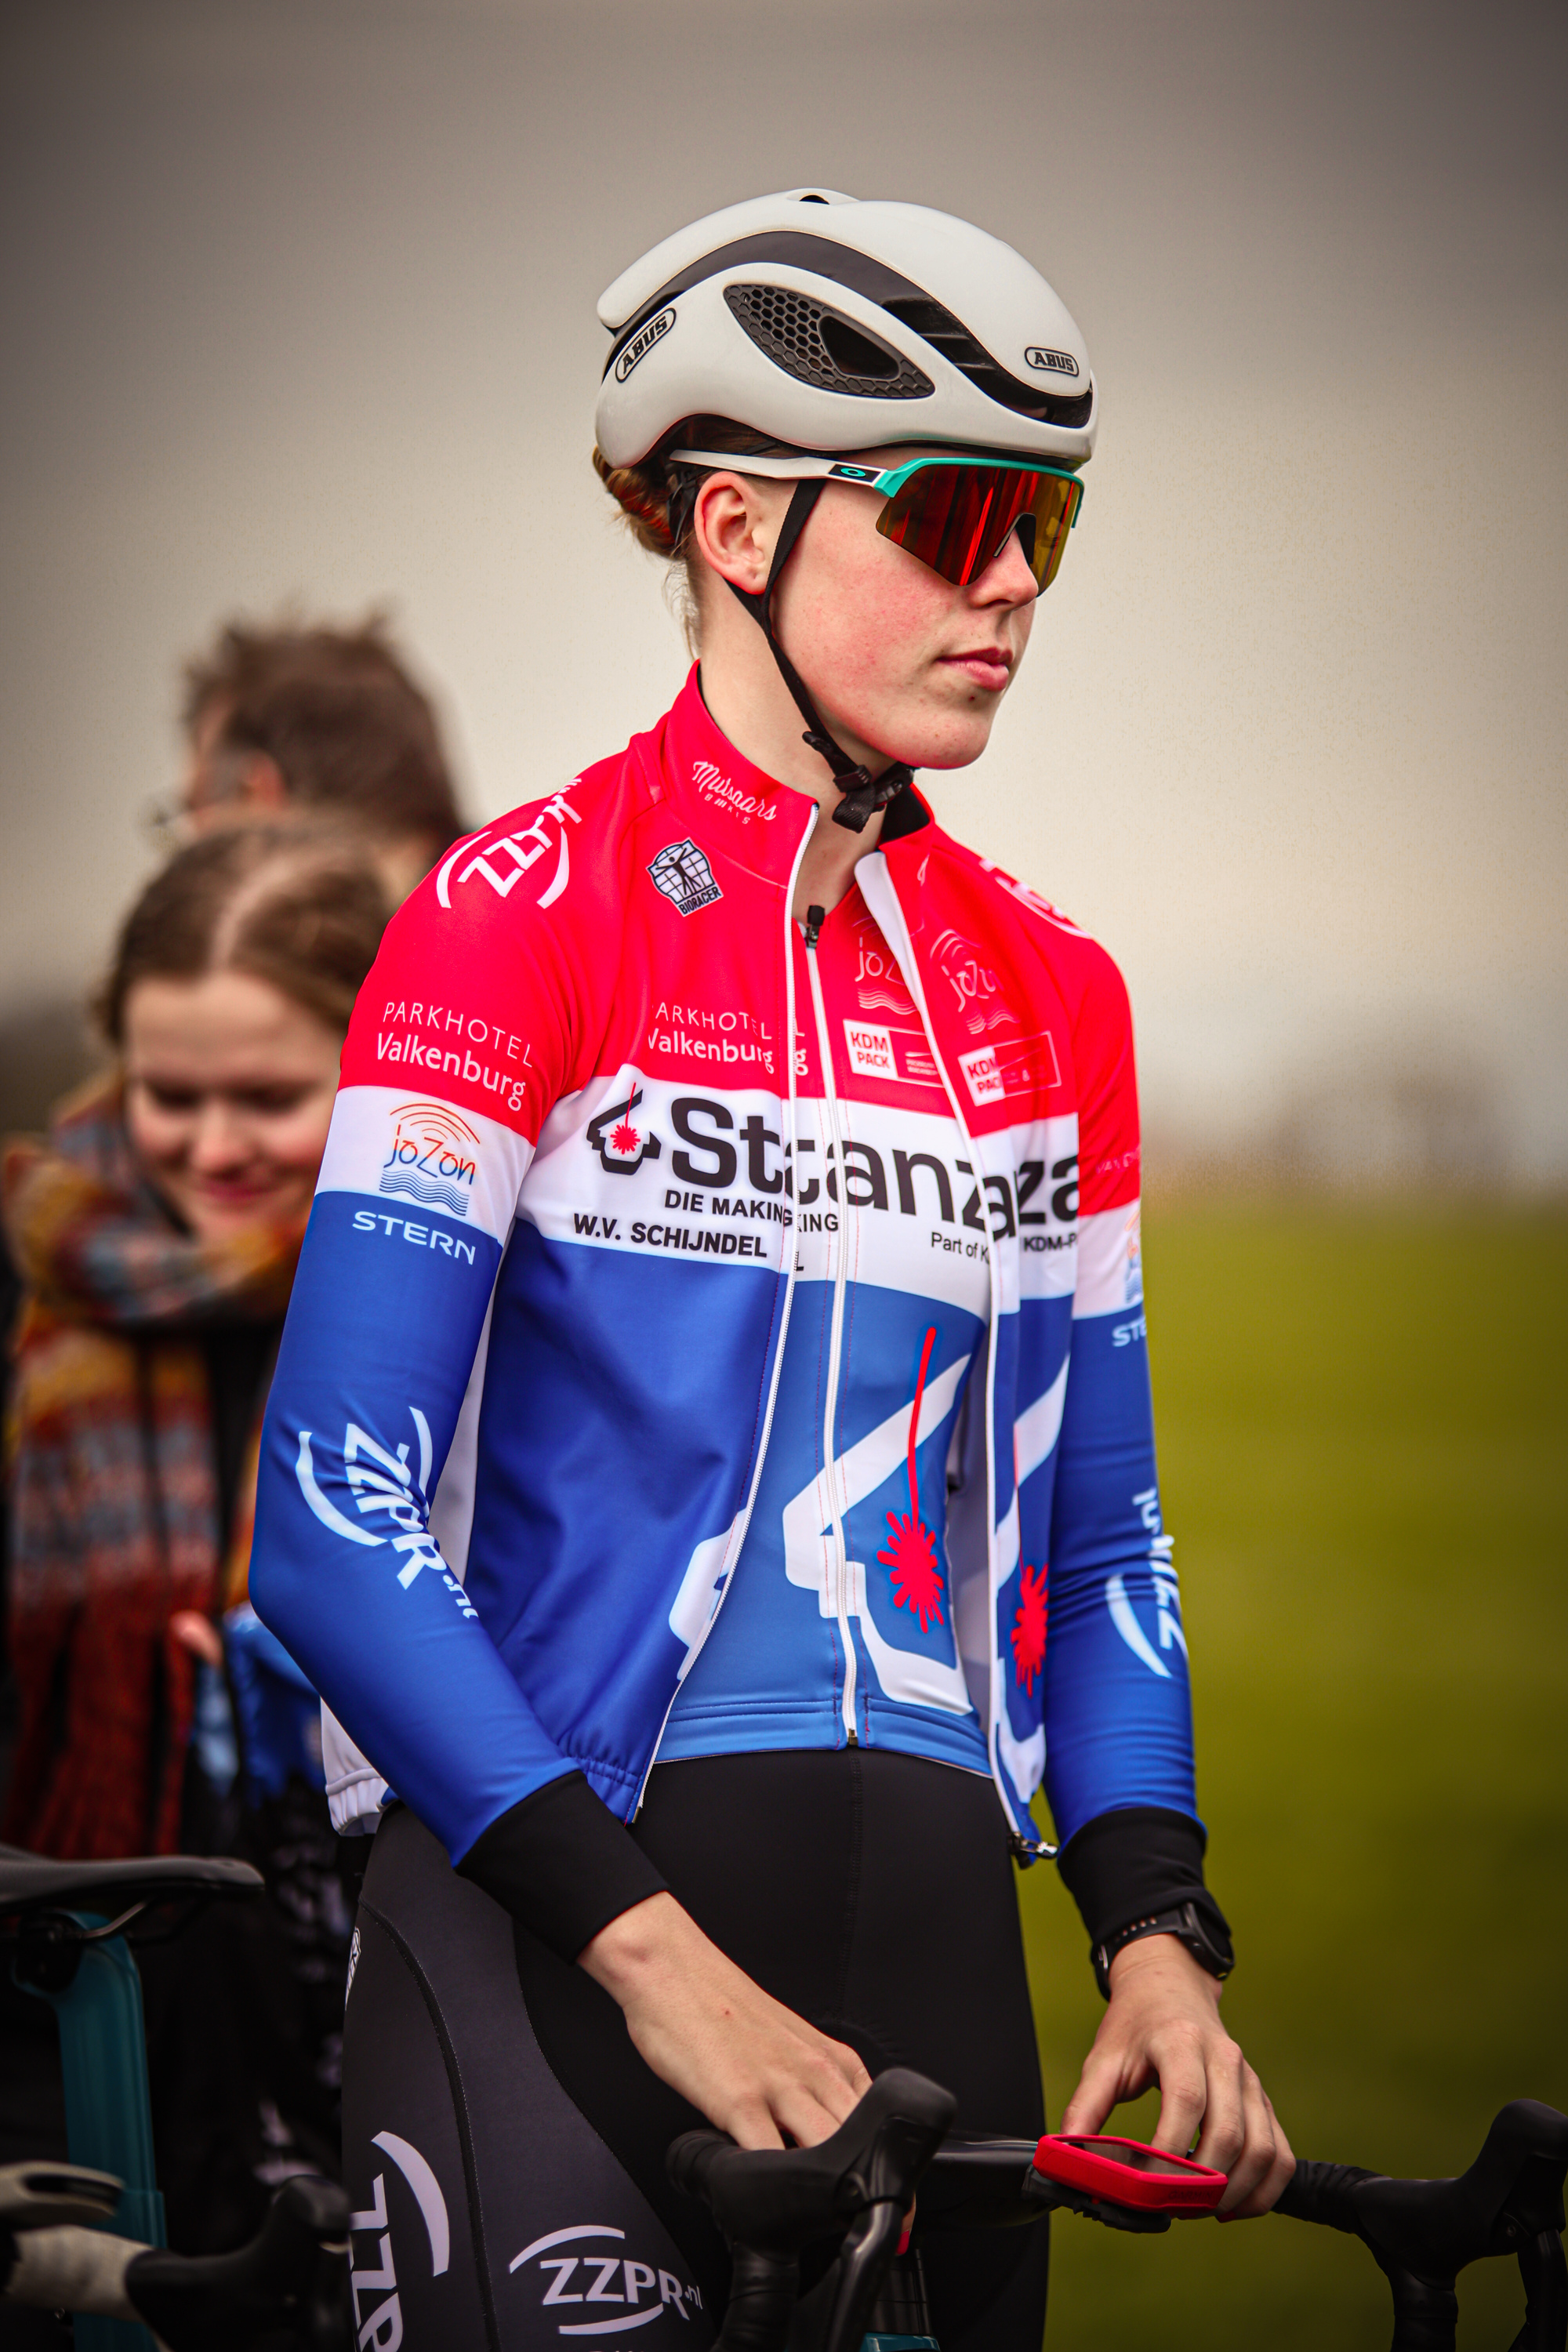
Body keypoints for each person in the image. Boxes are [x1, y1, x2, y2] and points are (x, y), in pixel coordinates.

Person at [249, 188, 1293, 2350]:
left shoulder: (1054, 996)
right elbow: (332, 1520)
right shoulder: (514, 915)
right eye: (953, 510)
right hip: (560, 1951)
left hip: (935, 1961)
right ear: (737, 526)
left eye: (1052, 526)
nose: (1010, 581)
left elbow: (1096, 1536)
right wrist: (657, 1963)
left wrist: (1158, 1937)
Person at [1, 824, 389, 2249]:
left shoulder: (458, 1290)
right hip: (65, 1981)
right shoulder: (30, 1270)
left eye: (272, 1098)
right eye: (172, 1094)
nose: (213, 1147)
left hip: (347, 1984)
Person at [174, 612, 466, 898]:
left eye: (195, 812)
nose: (186, 849)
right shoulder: (498, 889)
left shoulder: (351, 942)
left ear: (257, 799)